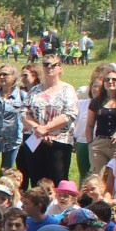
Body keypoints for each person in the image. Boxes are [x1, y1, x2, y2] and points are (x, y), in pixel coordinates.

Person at [19, 55, 77, 186]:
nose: (49, 68)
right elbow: (23, 112)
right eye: (46, 64)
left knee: (58, 180)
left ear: (60, 68)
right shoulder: (35, 90)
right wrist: (36, 128)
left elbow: (70, 114)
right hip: (35, 139)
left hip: (58, 141)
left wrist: (46, 129)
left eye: (53, 65)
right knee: (36, 180)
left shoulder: (67, 90)